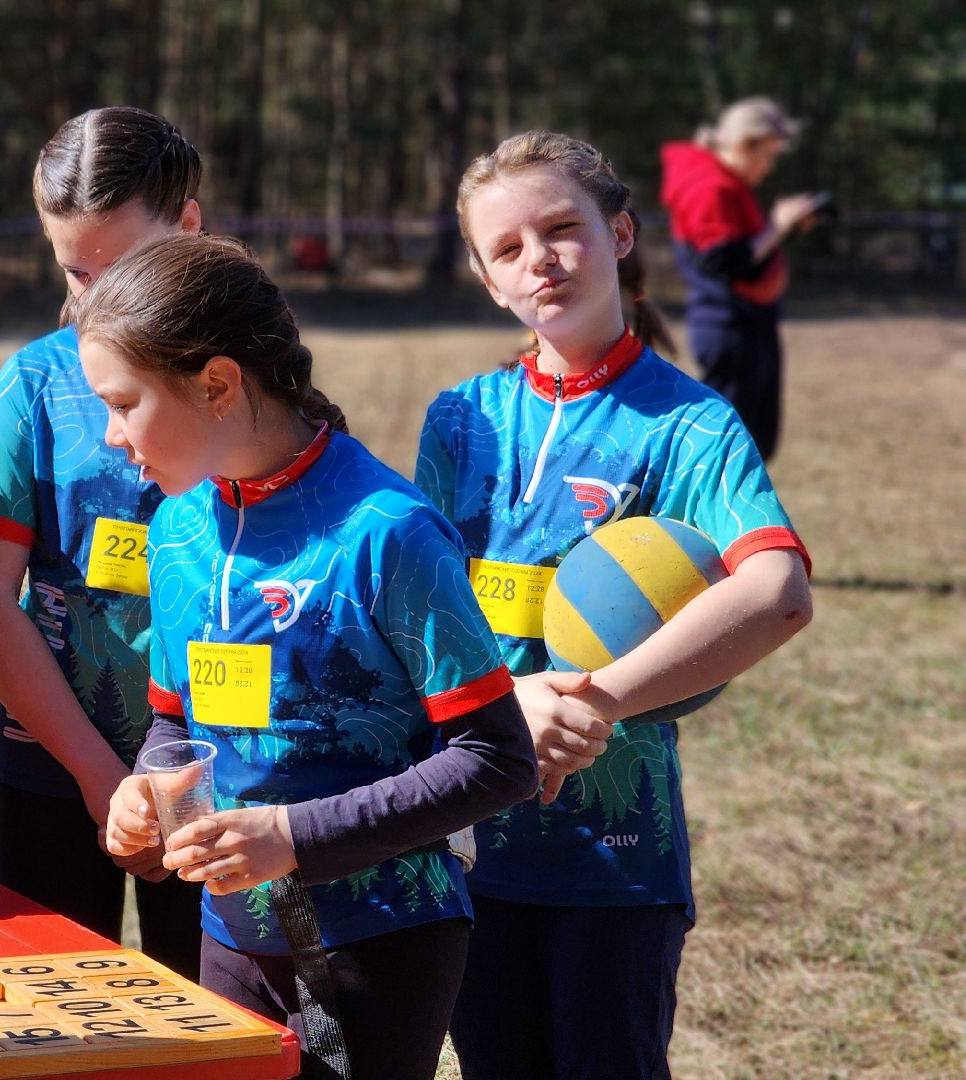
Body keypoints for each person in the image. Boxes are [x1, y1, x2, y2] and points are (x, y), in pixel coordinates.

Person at [91, 233, 538, 1078]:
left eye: (124, 404)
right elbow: (170, 723)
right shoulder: (176, 530)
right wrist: (145, 787)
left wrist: (293, 834)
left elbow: (498, 760)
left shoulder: (387, 532)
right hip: (228, 933)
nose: (112, 438)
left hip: (379, 940)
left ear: (218, 384)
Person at [426, 130, 814, 1080]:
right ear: (485, 279)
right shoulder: (460, 419)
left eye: (563, 228)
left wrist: (596, 699)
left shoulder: (689, 422)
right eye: (507, 249)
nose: (541, 259)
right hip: (469, 844)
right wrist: (498, 716)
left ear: (623, 232)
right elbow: (418, 616)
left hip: (616, 854)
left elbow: (777, 593)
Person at [0, 106, 205, 976]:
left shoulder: (239, 378)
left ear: (189, 226)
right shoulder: (32, 381)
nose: (101, 297)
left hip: (213, 773)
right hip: (53, 767)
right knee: (50, 1026)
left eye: (125, 264)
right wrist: (100, 775)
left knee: (230, 1036)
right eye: (75, 270)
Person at [661, 96, 822, 459]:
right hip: (730, 326)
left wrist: (783, 230)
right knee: (730, 452)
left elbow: (745, 254)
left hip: (747, 324)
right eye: (768, 156)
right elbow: (723, 262)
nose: (769, 167)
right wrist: (778, 225)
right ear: (744, 146)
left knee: (751, 444)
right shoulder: (708, 187)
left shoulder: (724, 183)